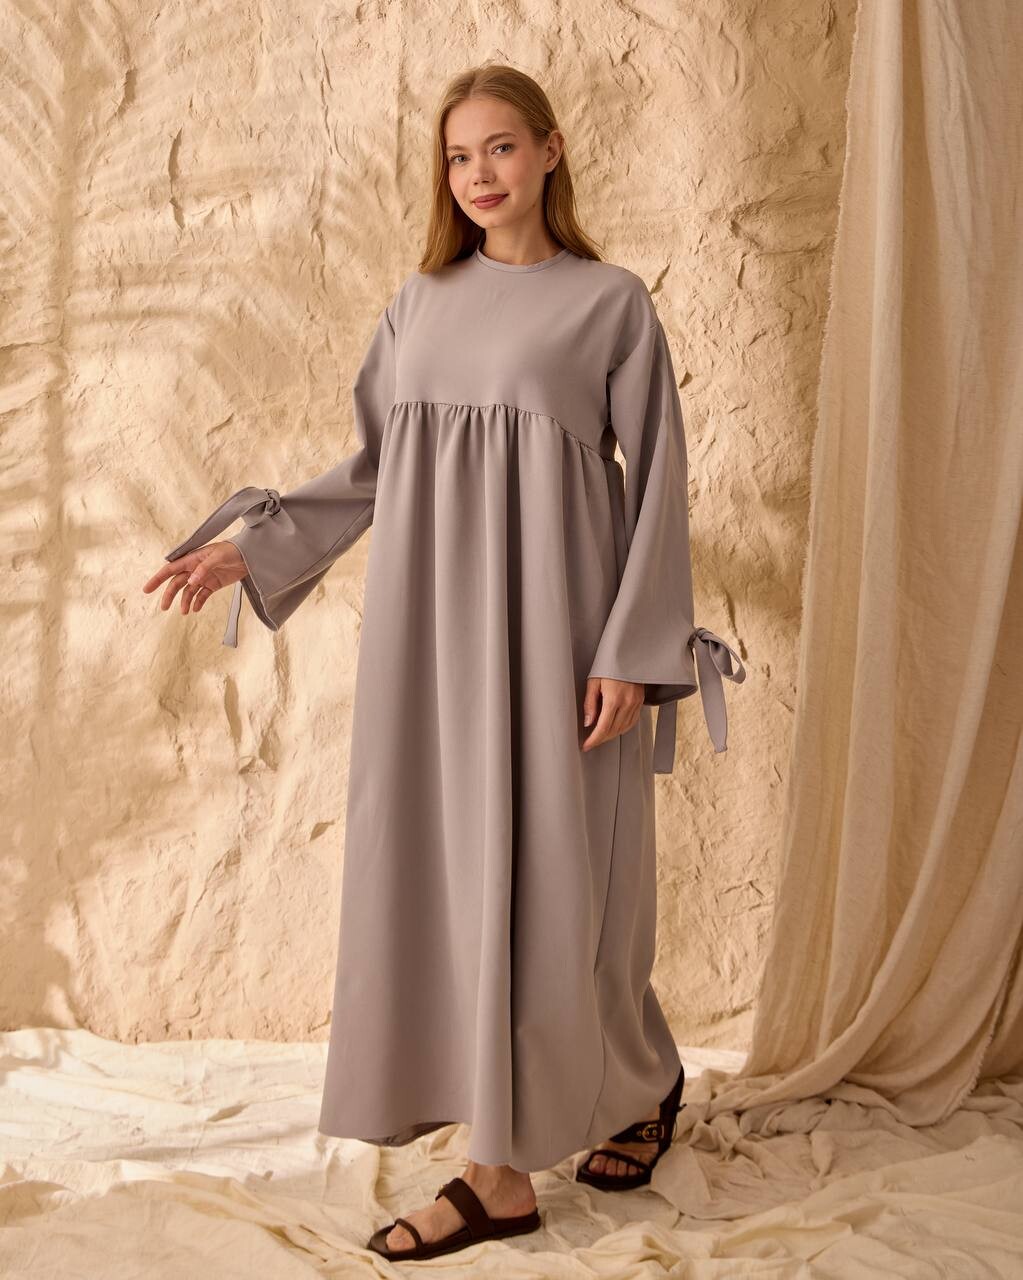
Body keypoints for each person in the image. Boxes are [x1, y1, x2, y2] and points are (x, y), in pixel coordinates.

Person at [142, 62, 746, 1263]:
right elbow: (375, 466)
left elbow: (660, 481)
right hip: (432, 648)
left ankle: (622, 1087)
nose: (479, 174)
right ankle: (505, 1163)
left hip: (566, 643)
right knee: (455, 880)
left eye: (501, 148)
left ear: (551, 150)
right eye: (460, 156)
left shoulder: (610, 304)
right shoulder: (417, 305)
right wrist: (255, 547)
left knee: (571, 888)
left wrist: (632, 651)